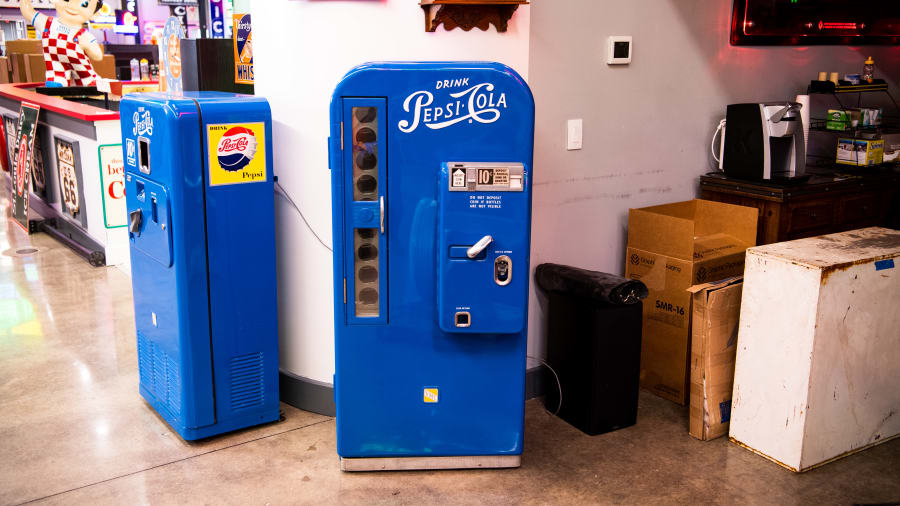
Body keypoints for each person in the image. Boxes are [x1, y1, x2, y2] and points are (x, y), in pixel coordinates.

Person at [19, 0, 103, 87]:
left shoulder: (85, 36)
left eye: (84, 4)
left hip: (82, 67)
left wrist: (88, 46)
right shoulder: (47, 23)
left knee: (90, 84)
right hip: (56, 65)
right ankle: (58, 81)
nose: (72, 7)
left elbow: (98, 56)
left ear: (94, 15)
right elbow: (27, 11)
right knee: (55, 85)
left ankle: (89, 82)